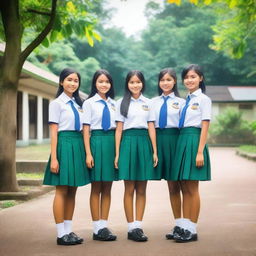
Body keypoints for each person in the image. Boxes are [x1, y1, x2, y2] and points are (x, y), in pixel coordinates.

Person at [43, 68, 90, 246]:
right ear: (61, 82)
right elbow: (54, 133)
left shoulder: (79, 104)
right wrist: (54, 158)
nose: (72, 83)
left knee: (73, 190)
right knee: (62, 189)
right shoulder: (57, 104)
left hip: (77, 145)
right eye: (69, 80)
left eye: (76, 80)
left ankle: (69, 231)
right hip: (64, 144)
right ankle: (61, 233)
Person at [115, 70, 158, 242]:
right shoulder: (121, 103)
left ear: (143, 83)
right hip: (128, 142)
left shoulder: (149, 103)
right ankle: (130, 226)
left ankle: (138, 226)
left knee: (142, 188)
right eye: (132, 82)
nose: (135, 85)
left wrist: (154, 150)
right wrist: (117, 154)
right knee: (129, 188)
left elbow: (151, 127)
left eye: (138, 82)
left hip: (144, 143)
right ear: (127, 84)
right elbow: (118, 129)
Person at [172, 64, 212, 243]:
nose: (189, 80)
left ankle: (192, 230)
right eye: (187, 77)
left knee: (193, 188)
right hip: (182, 140)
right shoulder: (186, 100)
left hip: (194, 140)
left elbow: (205, 125)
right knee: (185, 187)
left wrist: (200, 151)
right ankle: (186, 226)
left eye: (193, 76)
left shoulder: (204, 99)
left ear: (200, 79)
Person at [149, 68, 185, 240]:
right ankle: (178, 224)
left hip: (176, 140)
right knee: (171, 186)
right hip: (159, 140)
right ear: (158, 82)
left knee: (182, 183)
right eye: (162, 80)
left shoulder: (182, 101)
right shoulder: (152, 102)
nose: (165, 83)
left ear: (175, 81)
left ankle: (187, 225)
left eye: (169, 79)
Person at [83, 69, 117, 241]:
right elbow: (86, 129)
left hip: (111, 142)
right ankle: (96, 228)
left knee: (108, 187)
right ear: (95, 83)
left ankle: (104, 225)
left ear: (111, 84)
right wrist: (88, 153)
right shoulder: (89, 103)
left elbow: (119, 129)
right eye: (100, 81)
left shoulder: (114, 104)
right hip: (96, 142)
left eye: (107, 82)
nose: (104, 84)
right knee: (96, 187)